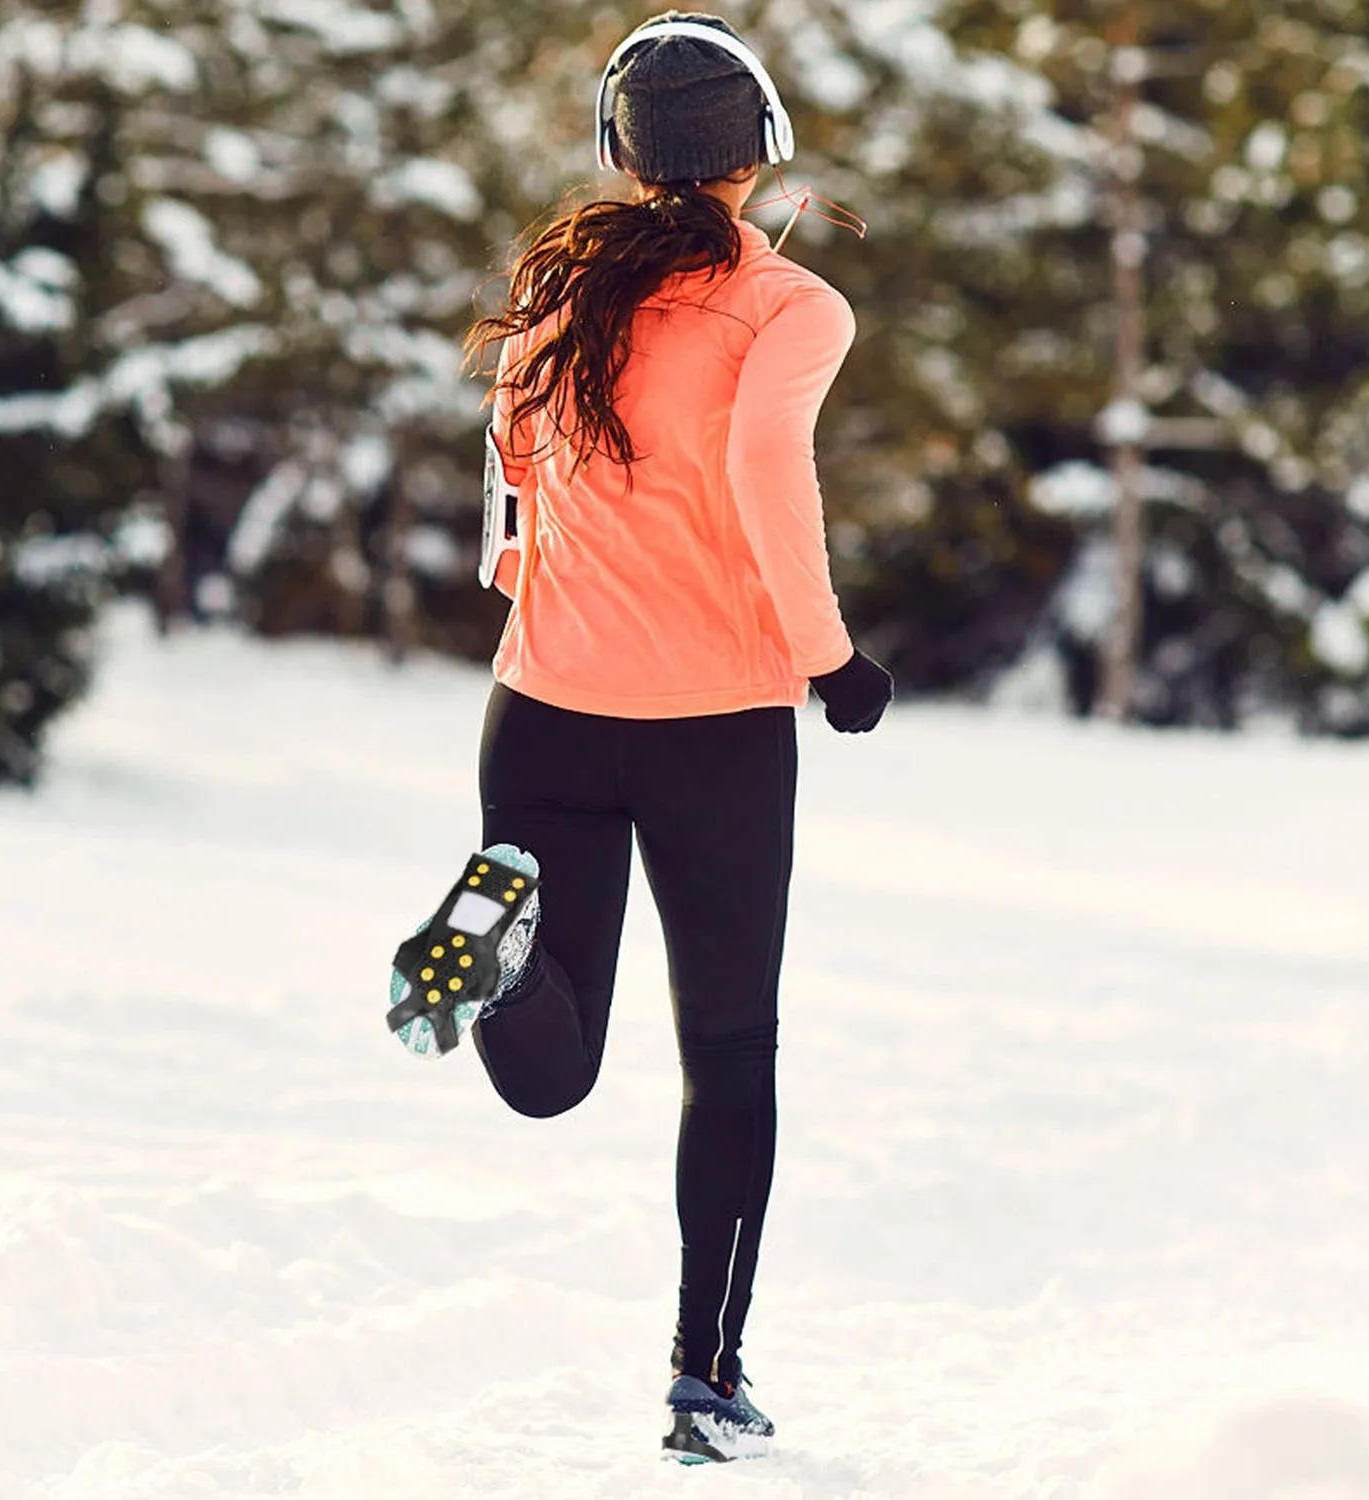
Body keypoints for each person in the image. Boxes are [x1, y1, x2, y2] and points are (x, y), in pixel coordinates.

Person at [387, 9, 892, 1464]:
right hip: (715, 730)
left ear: (619, 148)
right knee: (729, 1052)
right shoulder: (791, 308)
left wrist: (538, 603)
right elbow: (763, 469)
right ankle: (704, 1373)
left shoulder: (557, 289)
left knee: (551, 1071)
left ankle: (495, 937)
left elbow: (511, 498)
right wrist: (830, 660)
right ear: (764, 151)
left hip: (538, 712)